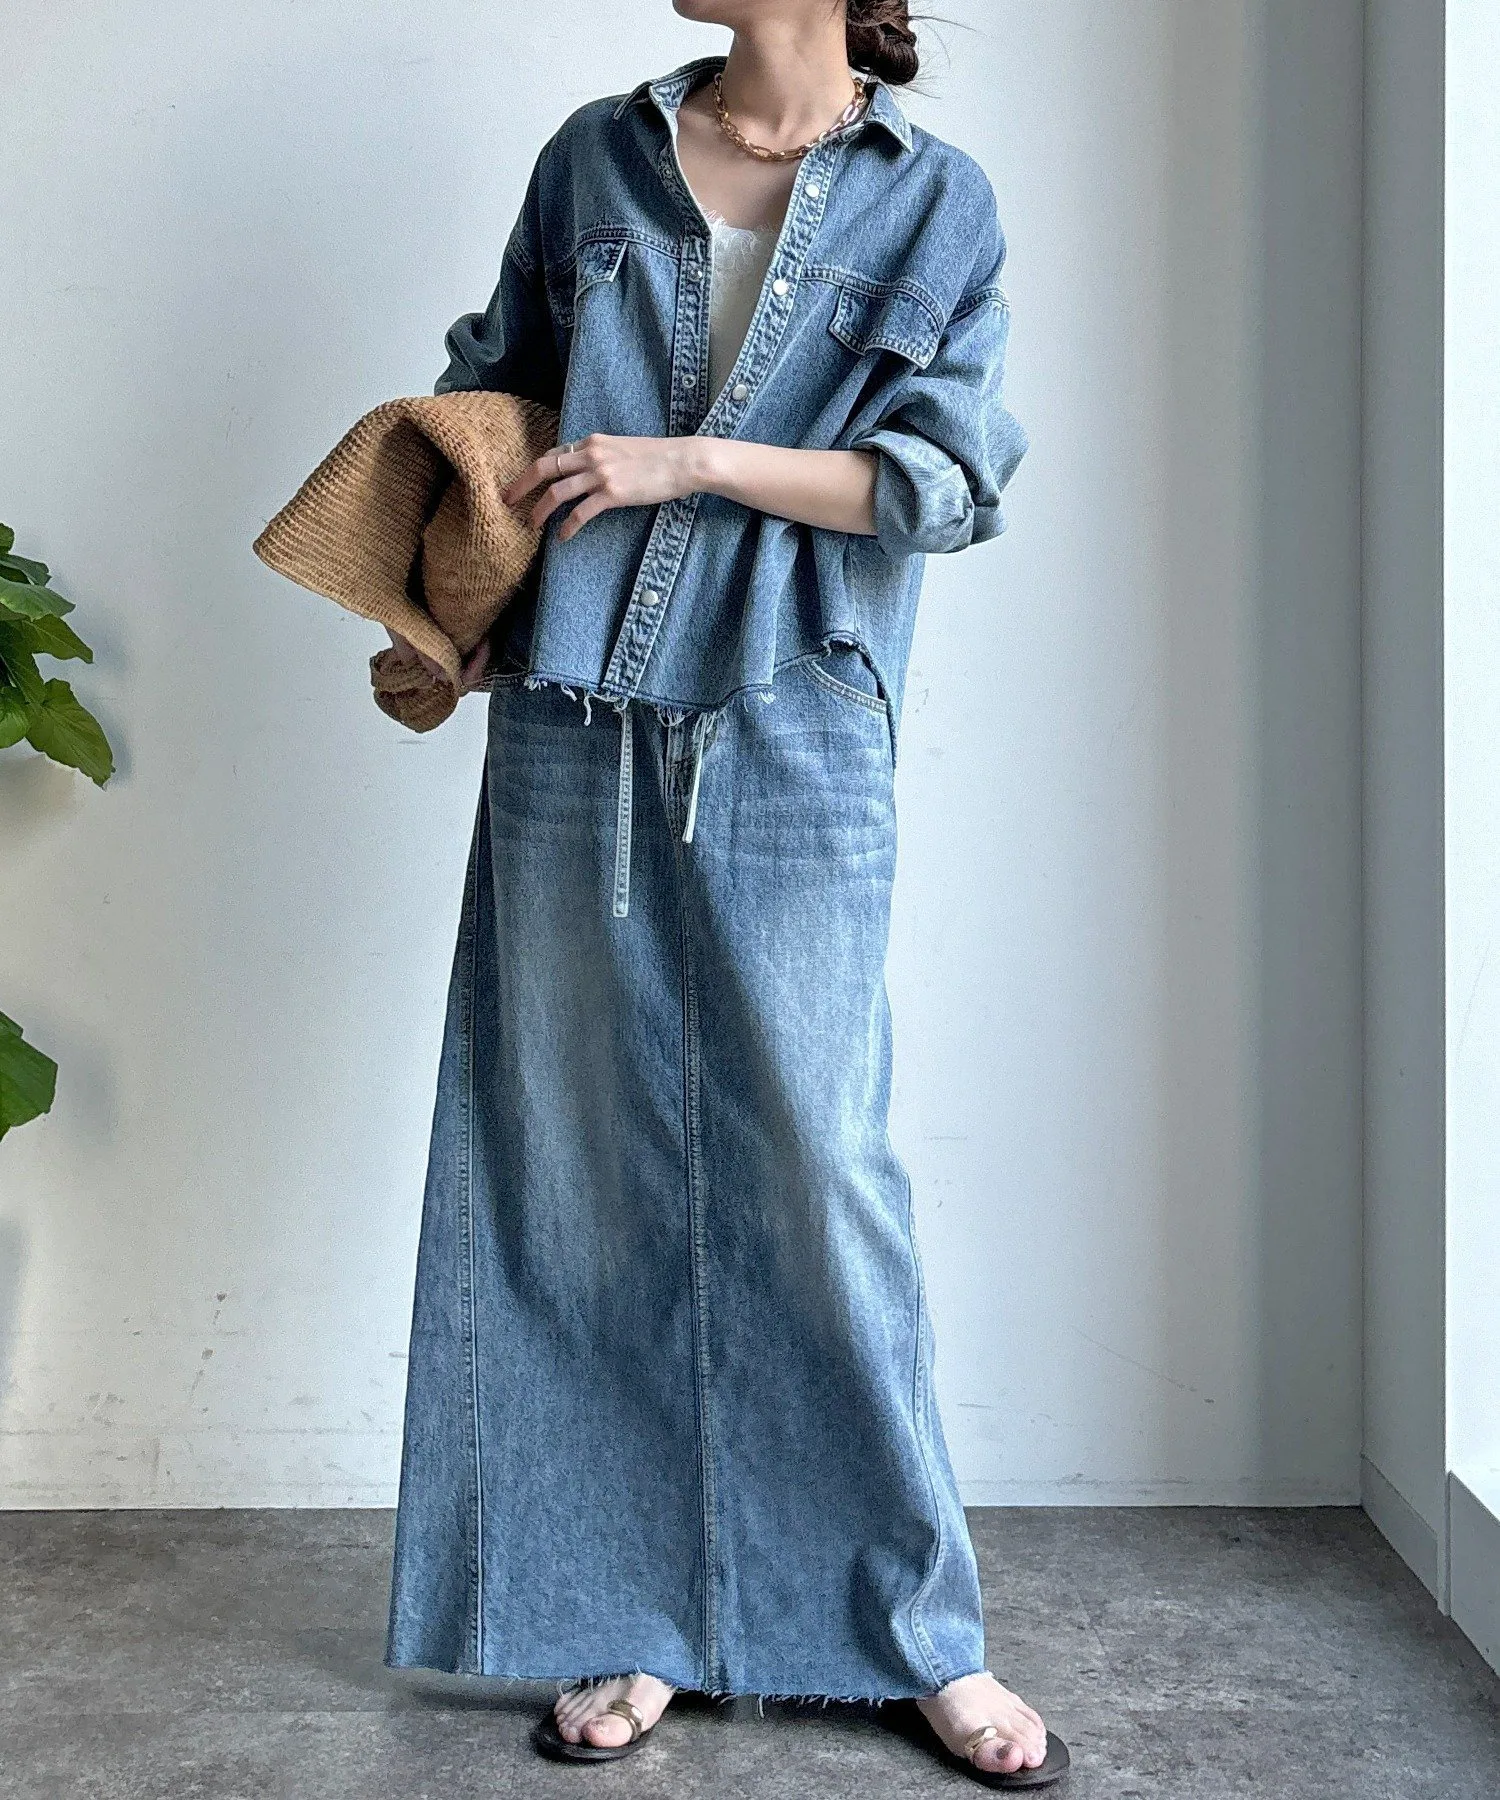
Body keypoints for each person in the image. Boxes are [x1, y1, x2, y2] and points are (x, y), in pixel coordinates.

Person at [381, 1, 1061, 1786]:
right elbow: (499, 395)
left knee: (822, 1165)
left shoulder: (935, 199)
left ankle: (919, 1633)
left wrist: (682, 459)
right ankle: (635, 1612)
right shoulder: (594, 159)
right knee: (584, 1168)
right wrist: (445, 591)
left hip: (796, 705)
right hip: (572, 710)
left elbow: (940, 485)